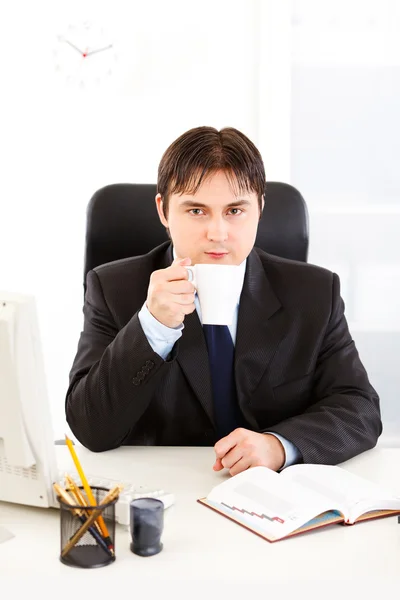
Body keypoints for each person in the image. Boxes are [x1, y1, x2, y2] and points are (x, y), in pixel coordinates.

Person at [66, 126, 382, 476]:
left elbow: (360, 410)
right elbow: (90, 427)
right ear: (164, 211)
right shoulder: (113, 289)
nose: (217, 233)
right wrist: (152, 327)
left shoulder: (315, 292)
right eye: (196, 211)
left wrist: (279, 446)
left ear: (260, 208)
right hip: (162, 492)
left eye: (235, 211)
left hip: (270, 499)